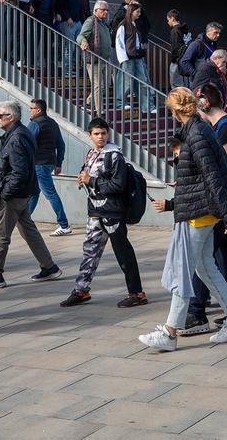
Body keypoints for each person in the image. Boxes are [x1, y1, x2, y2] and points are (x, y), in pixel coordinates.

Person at [138, 88, 227, 352]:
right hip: (202, 210)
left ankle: (169, 333)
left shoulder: (196, 132)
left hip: (199, 214)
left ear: (176, 111)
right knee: (204, 268)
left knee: (184, 270)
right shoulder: (198, 128)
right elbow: (207, 173)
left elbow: (213, 175)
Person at [177, 83, 227, 335]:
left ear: (204, 104)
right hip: (225, 205)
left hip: (221, 206)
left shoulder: (225, 131)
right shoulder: (221, 128)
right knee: (222, 259)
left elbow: (221, 172)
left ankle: (197, 311)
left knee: (202, 259)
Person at [60, 117, 147, 309]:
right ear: (89, 136)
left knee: (123, 254)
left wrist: (91, 180)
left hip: (113, 213)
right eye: (97, 134)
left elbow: (118, 185)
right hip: (95, 211)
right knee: (89, 251)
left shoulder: (114, 156)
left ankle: (137, 293)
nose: (101, 137)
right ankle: (81, 289)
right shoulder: (92, 153)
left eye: (104, 133)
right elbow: (91, 173)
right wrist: (83, 176)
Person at [0, 101, 60, 290]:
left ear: (10, 117)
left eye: (0, 115)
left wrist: (5, 193)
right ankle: (49, 267)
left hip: (14, 195)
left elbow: (19, 172)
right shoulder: (21, 132)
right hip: (24, 192)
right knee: (29, 230)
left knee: (0, 235)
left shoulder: (16, 138)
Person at [28, 99, 71, 236]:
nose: (30, 110)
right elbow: (61, 145)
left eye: (31, 108)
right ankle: (24, 220)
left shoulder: (34, 124)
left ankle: (64, 225)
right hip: (49, 163)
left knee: (50, 193)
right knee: (34, 192)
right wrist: (58, 163)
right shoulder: (52, 123)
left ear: (38, 110)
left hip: (38, 164)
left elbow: (26, 143)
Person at [115, 3, 152, 114]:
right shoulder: (123, 25)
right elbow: (119, 42)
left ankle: (147, 106)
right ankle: (120, 103)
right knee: (125, 82)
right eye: (137, 12)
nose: (139, 14)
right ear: (131, 12)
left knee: (143, 82)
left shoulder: (134, 24)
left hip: (137, 57)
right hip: (127, 58)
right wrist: (123, 58)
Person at [77, 0, 112, 114]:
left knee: (106, 85)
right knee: (98, 85)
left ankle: (88, 102)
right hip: (94, 59)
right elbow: (81, 35)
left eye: (107, 10)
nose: (105, 12)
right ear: (96, 10)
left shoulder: (104, 23)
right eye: (103, 10)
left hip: (105, 59)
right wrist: (83, 41)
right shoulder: (91, 21)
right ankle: (99, 111)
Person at [167, 9, 192, 89]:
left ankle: (177, 101)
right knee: (186, 87)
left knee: (176, 86)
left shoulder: (175, 31)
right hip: (187, 61)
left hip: (178, 62)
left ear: (172, 19)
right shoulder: (186, 30)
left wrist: (174, 59)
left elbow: (175, 48)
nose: (168, 22)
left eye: (168, 20)